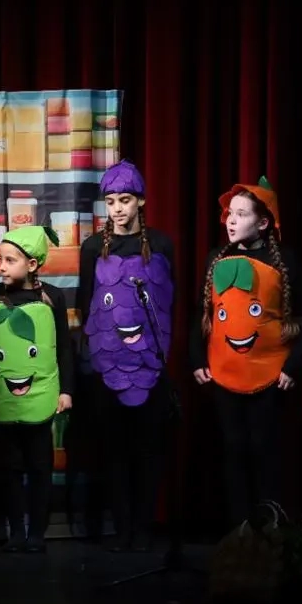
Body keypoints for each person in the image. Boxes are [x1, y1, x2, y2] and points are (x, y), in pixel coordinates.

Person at [189, 177, 302, 527]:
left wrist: (294, 365)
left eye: (241, 214)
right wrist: (197, 358)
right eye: (229, 213)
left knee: (265, 452)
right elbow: (202, 314)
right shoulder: (216, 258)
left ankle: (269, 530)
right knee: (233, 452)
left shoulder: (284, 260)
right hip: (225, 375)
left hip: (269, 377)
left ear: (262, 223)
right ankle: (240, 532)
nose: (231, 220)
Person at [77, 160, 176, 553]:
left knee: (149, 450)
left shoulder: (161, 245)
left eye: (125, 200)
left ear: (141, 202)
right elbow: (87, 303)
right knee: (115, 451)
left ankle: (144, 528)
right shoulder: (92, 249)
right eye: (111, 202)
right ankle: (122, 530)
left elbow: (168, 303)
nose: (117, 209)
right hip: (109, 367)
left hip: (149, 366)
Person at [0, 225, 74, 552]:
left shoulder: (52, 297)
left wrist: (66, 390)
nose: (1, 267)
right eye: (0, 260)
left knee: (40, 467)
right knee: (10, 467)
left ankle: (37, 534)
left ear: (32, 264)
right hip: (4, 397)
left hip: (41, 396)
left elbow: (63, 347)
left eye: (10, 260)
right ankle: (16, 531)